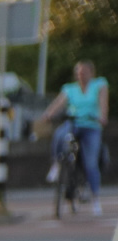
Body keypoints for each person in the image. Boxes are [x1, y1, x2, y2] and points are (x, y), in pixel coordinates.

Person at [44, 59, 109, 216]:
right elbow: (59, 103)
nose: (81, 75)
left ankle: (95, 199)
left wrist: (102, 116)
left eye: (84, 72)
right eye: (79, 72)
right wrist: (48, 114)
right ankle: (57, 164)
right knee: (60, 134)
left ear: (91, 73)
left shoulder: (99, 84)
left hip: (91, 125)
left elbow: (103, 102)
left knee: (91, 162)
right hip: (74, 123)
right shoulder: (70, 89)